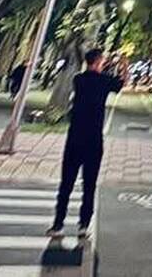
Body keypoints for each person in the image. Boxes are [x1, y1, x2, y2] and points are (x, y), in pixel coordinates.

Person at [48, 48, 126, 241]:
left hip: (75, 137)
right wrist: (123, 65)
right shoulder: (105, 81)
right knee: (89, 185)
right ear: (98, 62)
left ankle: (58, 224)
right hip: (93, 139)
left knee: (66, 183)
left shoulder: (79, 79)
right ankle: (84, 225)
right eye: (102, 61)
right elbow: (120, 83)